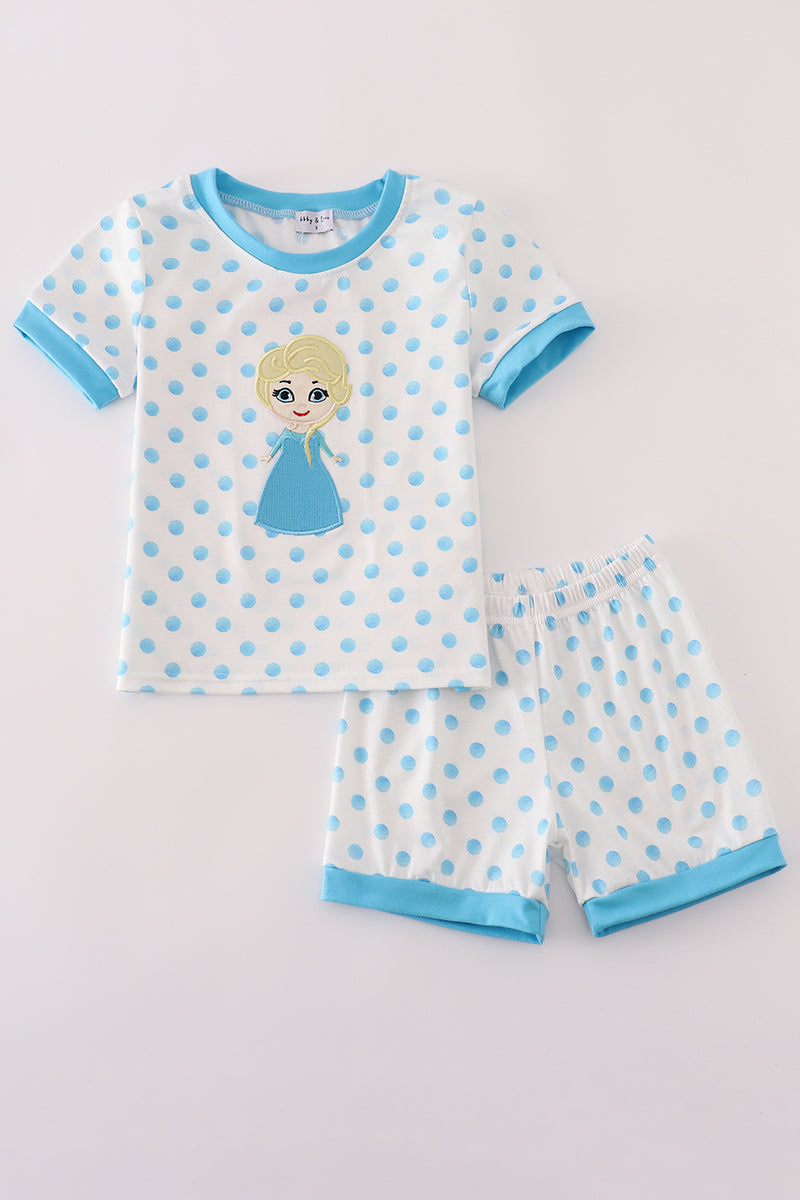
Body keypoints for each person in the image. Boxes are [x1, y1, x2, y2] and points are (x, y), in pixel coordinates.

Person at [253, 334, 352, 536]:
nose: (300, 406)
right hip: (285, 472)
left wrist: (332, 457)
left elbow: (324, 446)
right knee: (282, 497)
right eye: (284, 395)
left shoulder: (314, 433)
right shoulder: (287, 433)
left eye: (317, 395)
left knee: (315, 497)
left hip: (312, 472)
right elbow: (277, 446)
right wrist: (269, 456)